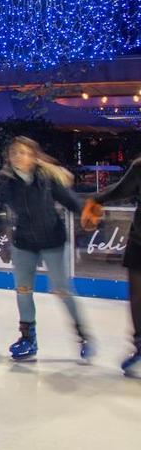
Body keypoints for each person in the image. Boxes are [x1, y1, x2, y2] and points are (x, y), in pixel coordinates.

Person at [0, 137, 90, 363]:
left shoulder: (47, 178)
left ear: (33, 155)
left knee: (61, 289)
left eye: (24, 152)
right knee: (23, 289)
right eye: (15, 153)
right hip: (24, 242)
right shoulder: (8, 182)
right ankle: (28, 339)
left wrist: (88, 213)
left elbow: (70, 200)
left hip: (52, 240)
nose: (19, 156)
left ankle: (83, 337)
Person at [82, 155, 140, 376]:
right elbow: (120, 190)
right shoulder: (140, 167)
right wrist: (96, 200)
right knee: (137, 297)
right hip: (139, 241)